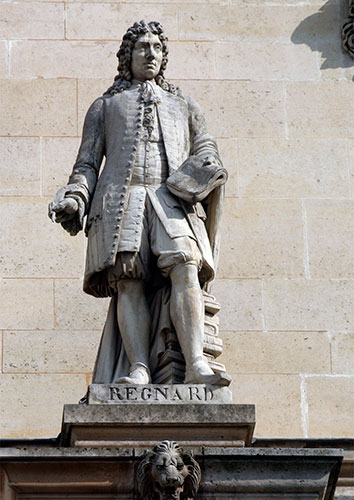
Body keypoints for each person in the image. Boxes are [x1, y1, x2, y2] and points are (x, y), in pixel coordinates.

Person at [49, 20, 230, 387]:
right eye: (142, 47)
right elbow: (87, 163)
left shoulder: (184, 105)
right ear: (127, 56)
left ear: (164, 57)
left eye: (157, 48)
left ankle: (196, 363)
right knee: (128, 279)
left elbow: (205, 146)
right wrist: (75, 197)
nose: (150, 53)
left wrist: (209, 168)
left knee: (185, 266)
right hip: (121, 200)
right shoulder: (106, 105)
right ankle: (139, 367)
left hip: (172, 199)